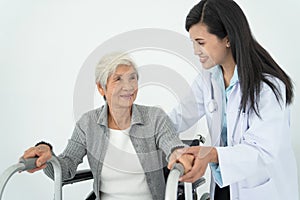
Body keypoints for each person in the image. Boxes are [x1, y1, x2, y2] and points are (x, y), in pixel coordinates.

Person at [167, 0, 299, 200]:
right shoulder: (208, 79)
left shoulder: (268, 87)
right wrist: (143, 131)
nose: (195, 51)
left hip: (260, 190)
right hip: (224, 184)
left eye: (201, 42)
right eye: (193, 43)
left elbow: (261, 151)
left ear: (227, 39)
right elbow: (177, 118)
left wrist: (210, 154)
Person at [22, 52, 193, 200]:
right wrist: (48, 155)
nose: (128, 87)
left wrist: (179, 154)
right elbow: (65, 170)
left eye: (132, 78)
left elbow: (173, 146)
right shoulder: (88, 123)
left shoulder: (155, 118)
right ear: (101, 87)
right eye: (118, 79)